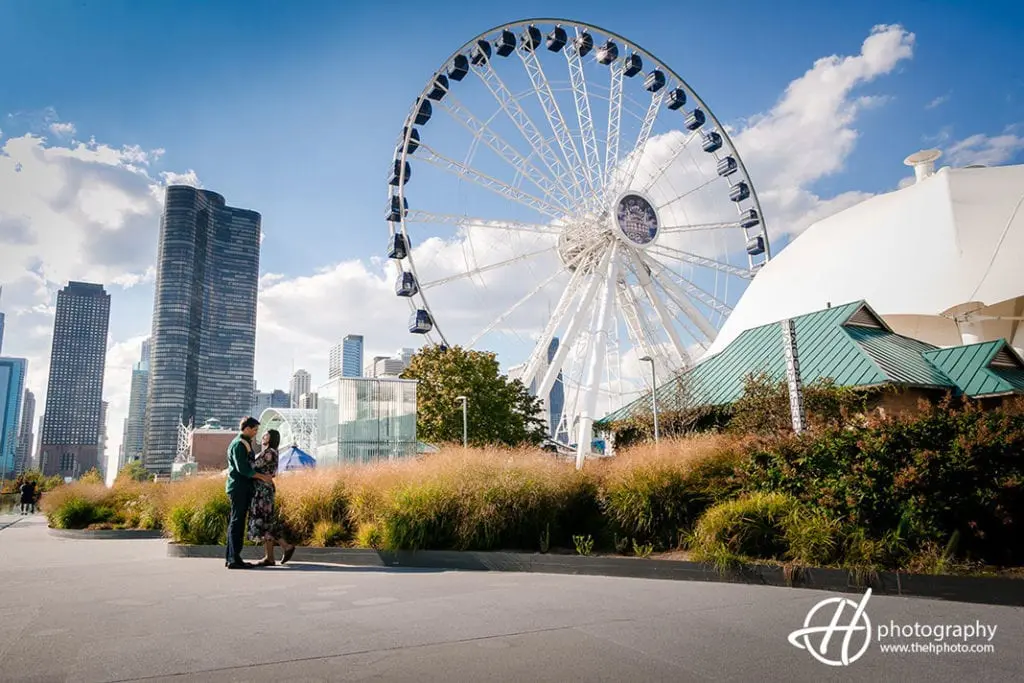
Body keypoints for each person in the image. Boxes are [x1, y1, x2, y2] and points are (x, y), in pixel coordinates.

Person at [225, 416, 273, 569]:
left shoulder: (244, 443)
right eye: (254, 429)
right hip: (239, 487)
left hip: (241, 487)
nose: (256, 433)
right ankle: (233, 558)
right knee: (237, 522)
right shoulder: (239, 444)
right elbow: (243, 469)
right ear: (246, 428)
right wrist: (262, 477)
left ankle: (232, 557)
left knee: (237, 521)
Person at [248, 428, 296, 566]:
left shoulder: (269, 453)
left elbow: (252, 466)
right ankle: (270, 557)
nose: (263, 436)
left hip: (263, 490)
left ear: (272, 438)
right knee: (266, 521)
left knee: (264, 520)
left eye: (266, 435)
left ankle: (286, 546)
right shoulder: (272, 452)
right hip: (264, 489)